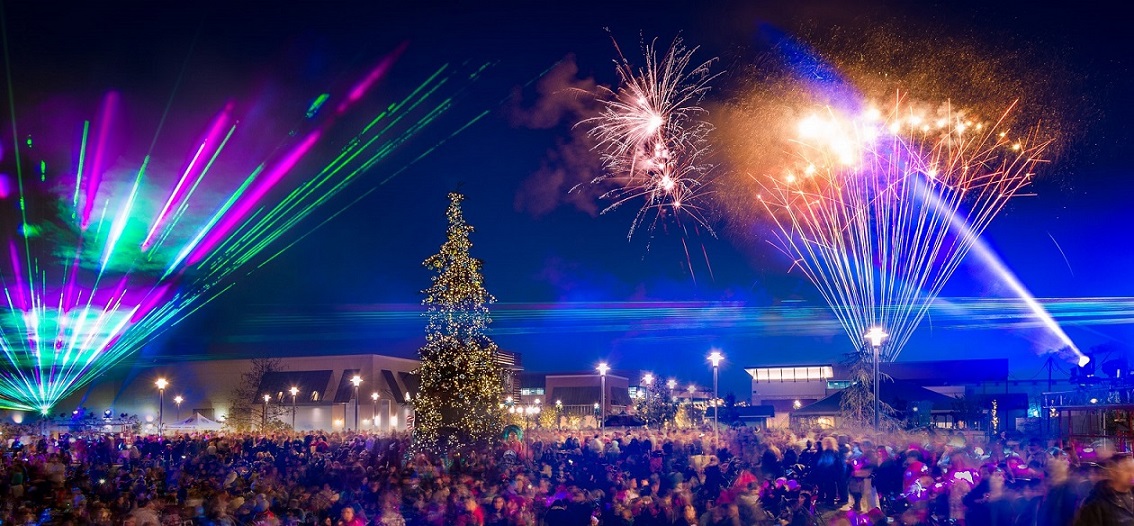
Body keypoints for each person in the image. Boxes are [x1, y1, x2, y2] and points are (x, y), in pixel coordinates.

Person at [1074, 454, 1134, 525]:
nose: (1132, 474)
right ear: (1113, 471)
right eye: (1127, 470)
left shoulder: (1131, 494)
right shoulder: (1095, 503)